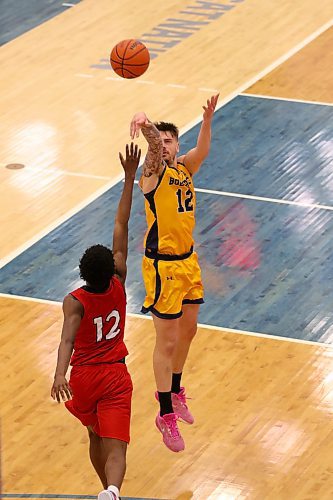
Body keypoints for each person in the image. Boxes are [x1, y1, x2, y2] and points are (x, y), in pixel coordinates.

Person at [51, 143, 141, 500]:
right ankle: (114, 490)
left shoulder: (75, 302)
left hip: (85, 376)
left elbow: (66, 342)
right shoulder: (119, 282)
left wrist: (60, 374)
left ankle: (105, 491)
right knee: (117, 446)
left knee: (94, 435)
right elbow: (121, 223)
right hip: (116, 375)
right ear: (112, 269)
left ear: (82, 273)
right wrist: (129, 177)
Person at [130, 94, 219, 452]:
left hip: (189, 261)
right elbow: (151, 145)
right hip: (162, 266)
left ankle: (176, 390)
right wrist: (145, 121)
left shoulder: (185, 168)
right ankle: (164, 412)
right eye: (160, 142)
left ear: (177, 146)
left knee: (190, 330)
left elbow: (203, 151)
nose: (163, 146)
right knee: (166, 341)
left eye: (170, 141)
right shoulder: (151, 175)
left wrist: (208, 120)